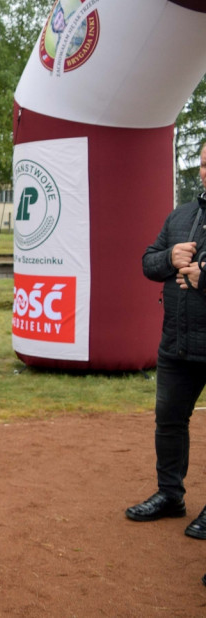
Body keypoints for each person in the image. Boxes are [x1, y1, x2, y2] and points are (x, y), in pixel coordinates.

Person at [126, 141, 206, 541]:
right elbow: (147, 262)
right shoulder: (181, 217)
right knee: (169, 422)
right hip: (176, 343)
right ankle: (170, 495)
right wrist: (170, 256)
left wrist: (201, 277)